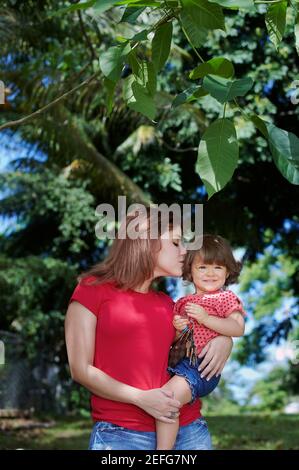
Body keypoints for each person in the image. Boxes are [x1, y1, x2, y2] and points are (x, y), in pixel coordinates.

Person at [65, 209, 233, 450]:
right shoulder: (92, 289)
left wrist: (226, 340)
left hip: (189, 430)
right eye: (175, 242)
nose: (185, 251)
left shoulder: (168, 304)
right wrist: (140, 398)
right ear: (147, 240)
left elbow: (197, 343)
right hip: (121, 434)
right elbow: (80, 369)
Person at [155, 234, 246, 450]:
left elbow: (238, 328)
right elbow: (177, 340)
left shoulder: (225, 298)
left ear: (228, 271)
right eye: (203, 267)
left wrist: (206, 318)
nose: (211, 273)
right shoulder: (182, 302)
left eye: (218, 267)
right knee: (164, 399)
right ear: (190, 271)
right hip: (179, 363)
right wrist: (179, 329)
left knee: (167, 400)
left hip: (202, 367)